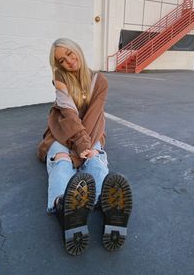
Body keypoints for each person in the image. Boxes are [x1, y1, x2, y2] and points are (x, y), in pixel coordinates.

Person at [37, 38, 132, 256]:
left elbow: (92, 118)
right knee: (61, 161)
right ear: (58, 65)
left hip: (91, 131)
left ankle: (111, 211)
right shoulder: (60, 78)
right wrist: (77, 152)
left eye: (70, 54)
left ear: (77, 50)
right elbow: (69, 114)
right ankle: (64, 208)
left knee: (96, 160)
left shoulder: (100, 81)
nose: (69, 61)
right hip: (62, 132)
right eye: (62, 60)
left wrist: (84, 151)